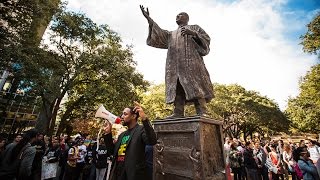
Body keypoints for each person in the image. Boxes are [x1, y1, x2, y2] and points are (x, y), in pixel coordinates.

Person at [140, 5, 214, 118]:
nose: (177, 16)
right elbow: (159, 33)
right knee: (177, 87)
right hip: (174, 66)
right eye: (177, 15)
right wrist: (149, 19)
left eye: (180, 15)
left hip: (191, 64)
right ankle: (178, 112)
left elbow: (206, 41)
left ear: (186, 18)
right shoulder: (171, 34)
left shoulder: (194, 28)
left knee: (195, 85)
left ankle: (202, 111)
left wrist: (193, 33)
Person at [107, 102, 157, 180]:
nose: (122, 116)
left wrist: (144, 119)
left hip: (133, 174)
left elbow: (152, 141)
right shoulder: (122, 135)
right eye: (122, 114)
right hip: (118, 173)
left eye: (125, 114)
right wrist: (108, 133)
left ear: (133, 116)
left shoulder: (141, 130)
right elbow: (111, 152)